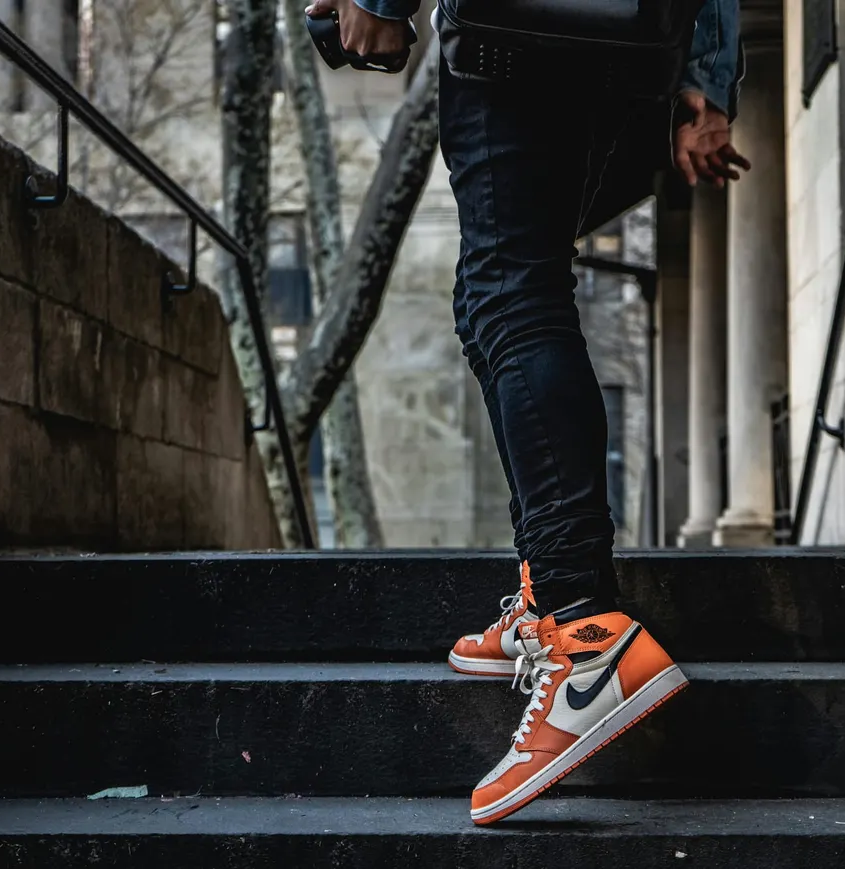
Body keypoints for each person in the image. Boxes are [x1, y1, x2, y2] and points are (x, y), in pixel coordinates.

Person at [307, 0, 749, 825]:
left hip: (520, 36)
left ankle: (584, 629)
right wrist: (708, 74)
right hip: (632, 42)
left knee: (513, 293)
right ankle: (552, 592)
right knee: (498, 295)